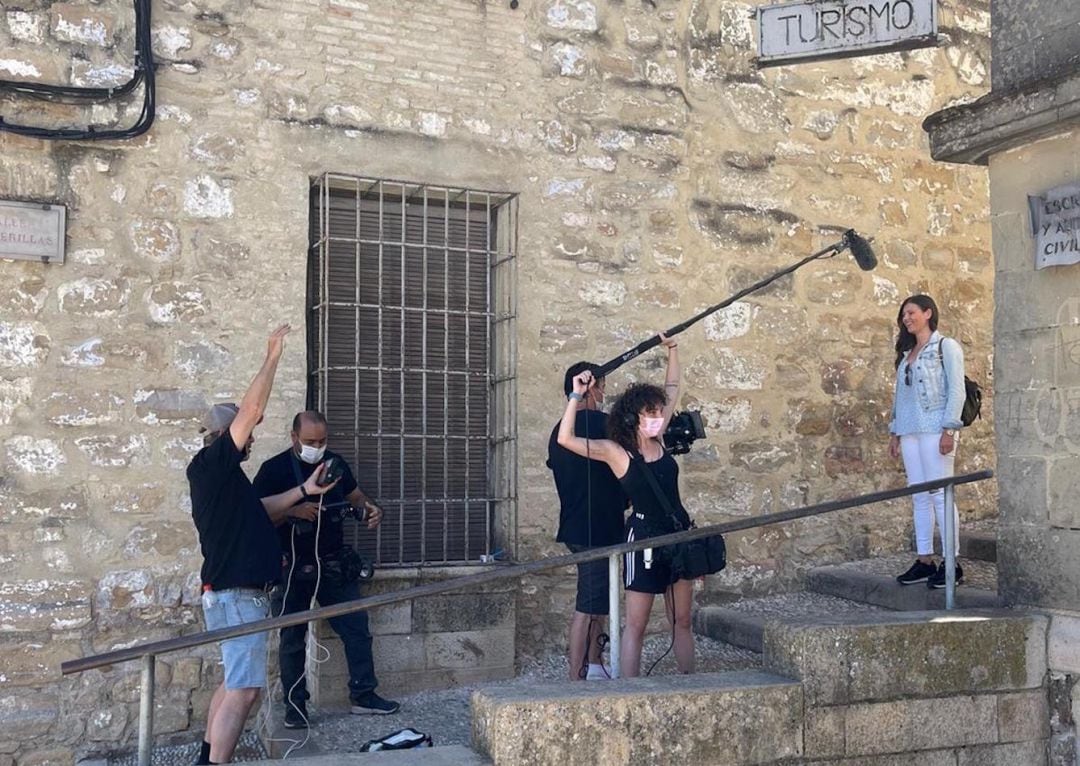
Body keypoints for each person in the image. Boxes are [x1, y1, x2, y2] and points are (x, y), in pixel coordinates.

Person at [188, 325, 338, 765]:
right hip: (236, 595)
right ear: (225, 434)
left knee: (231, 683)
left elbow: (262, 510)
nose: (251, 436)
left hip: (230, 594)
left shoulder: (223, 481)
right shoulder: (214, 463)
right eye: (243, 431)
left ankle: (204, 758)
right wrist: (272, 356)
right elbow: (252, 409)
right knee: (246, 690)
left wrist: (304, 490)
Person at [557, 334, 694, 677]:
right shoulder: (617, 452)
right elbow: (565, 438)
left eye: (659, 412)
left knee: (683, 619)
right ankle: (629, 691)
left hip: (677, 532)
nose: (658, 417)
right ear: (633, 418)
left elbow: (673, 386)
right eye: (650, 413)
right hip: (644, 537)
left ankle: (692, 683)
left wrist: (672, 350)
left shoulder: (659, 438)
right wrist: (576, 395)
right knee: (636, 626)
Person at [254, 411, 400, 729]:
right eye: (309, 442)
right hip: (291, 566)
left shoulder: (335, 464)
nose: (316, 447)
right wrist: (293, 511)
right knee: (292, 638)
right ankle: (295, 707)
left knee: (357, 628)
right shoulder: (273, 470)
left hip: (332, 564)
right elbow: (256, 518)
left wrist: (372, 510)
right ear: (294, 438)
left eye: (322, 441)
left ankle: (364, 696)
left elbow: (357, 497)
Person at [546, 361, 628, 680]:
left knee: (599, 599)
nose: (604, 393)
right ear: (590, 386)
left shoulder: (559, 429)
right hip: (597, 526)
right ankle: (575, 675)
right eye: (602, 386)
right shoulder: (603, 425)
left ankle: (594, 664)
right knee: (587, 603)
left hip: (578, 524)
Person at [888, 295, 966, 590]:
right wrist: (895, 432)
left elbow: (956, 390)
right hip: (910, 432)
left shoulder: (946, 347)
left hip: (936, 430)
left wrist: (949, 430)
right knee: (919, 497)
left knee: (941, 495)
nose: (906, 318)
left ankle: (951, 563)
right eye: (904, 314)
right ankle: (924, 560)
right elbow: (901, 397)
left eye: (911, 312)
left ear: (928, 313)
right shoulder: (908, 351)